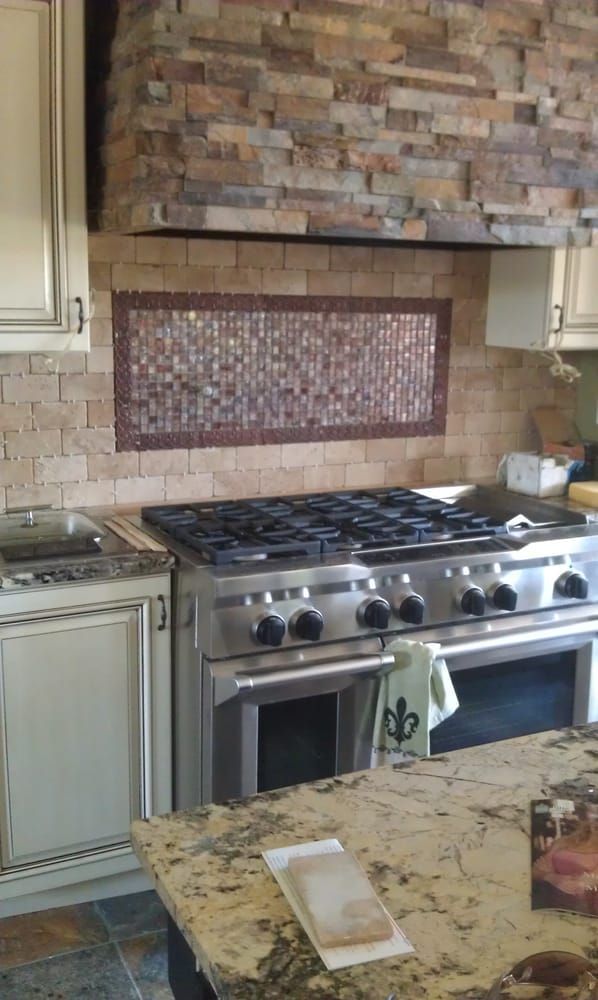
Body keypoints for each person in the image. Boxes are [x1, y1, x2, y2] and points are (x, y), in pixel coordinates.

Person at [532, 804, 598, 914]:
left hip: (584, 911)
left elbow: (582, 885)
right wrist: (552, 877)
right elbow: (535, 871)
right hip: (548, 907)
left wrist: (549, 876)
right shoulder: (563, 842)